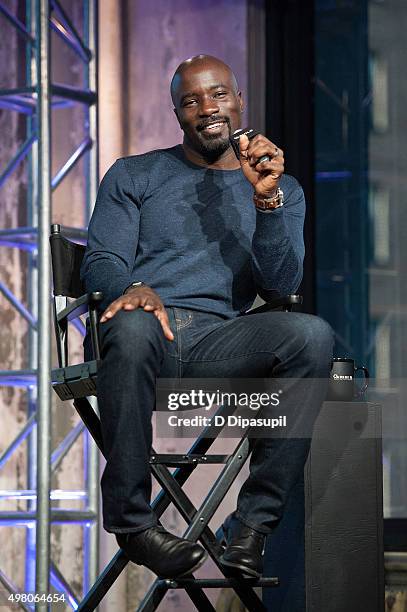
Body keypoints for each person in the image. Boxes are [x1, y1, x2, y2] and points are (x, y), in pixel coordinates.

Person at [81, 54, 334, 579]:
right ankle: (133, 526)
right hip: (141, 332)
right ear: (178, 114)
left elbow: (282, 285)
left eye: (218, 94)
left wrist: (267, 203)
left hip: (218, 339)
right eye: (191, 100)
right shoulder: (136, 174)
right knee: (130, 322)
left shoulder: (280, 188)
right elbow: (101, 259)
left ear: (239, 100)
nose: (207, 108)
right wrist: (133, 287)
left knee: (311, 335)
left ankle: (250, 530)